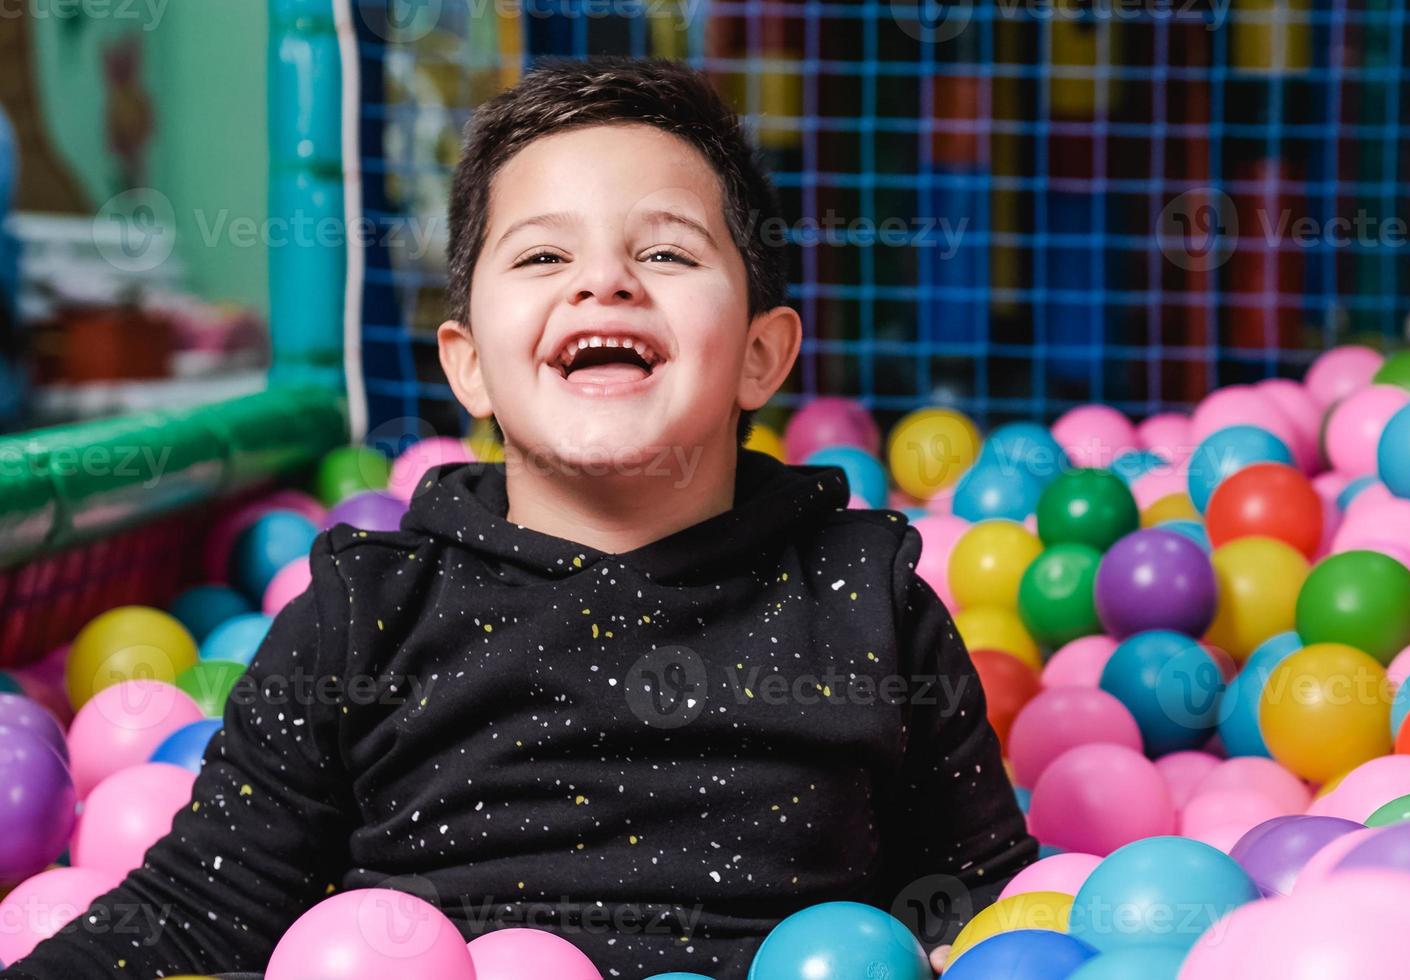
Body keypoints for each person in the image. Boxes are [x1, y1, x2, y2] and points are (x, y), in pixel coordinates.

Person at [2, 58, 1035, 979]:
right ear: (468, 363)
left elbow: (976, 896)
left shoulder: (863, 595)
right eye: (542, 257)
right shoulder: (366, 610)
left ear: (762, 354)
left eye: (667, 254)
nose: (603, 279)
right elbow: (194, 912)